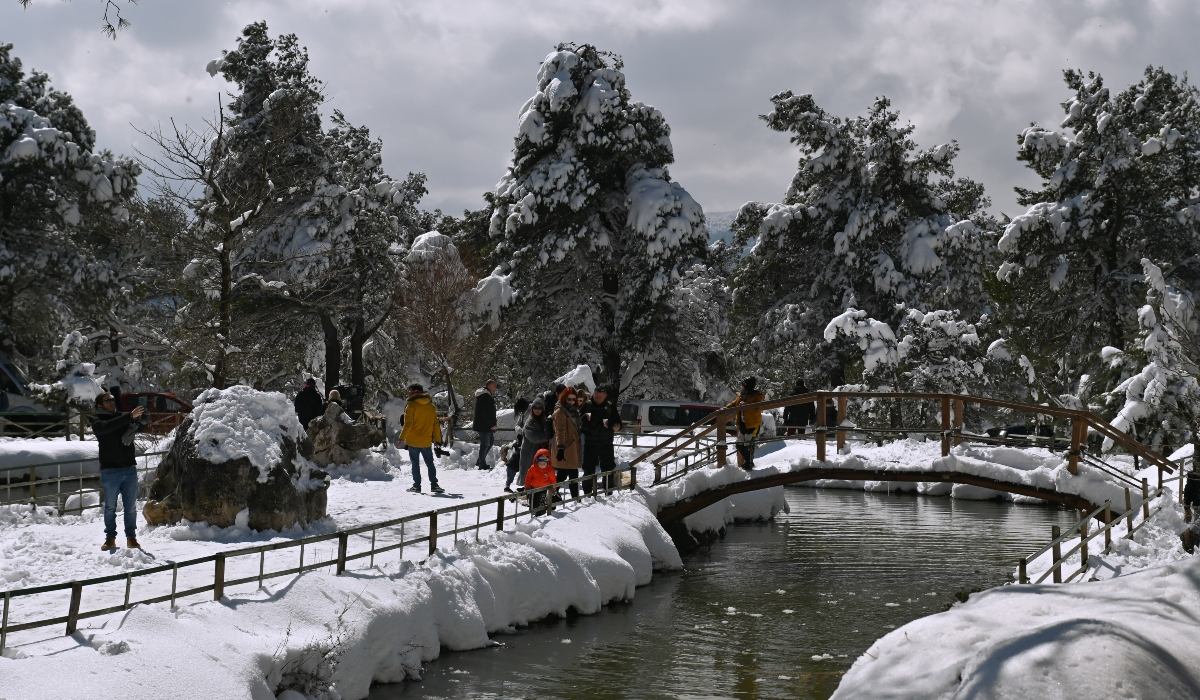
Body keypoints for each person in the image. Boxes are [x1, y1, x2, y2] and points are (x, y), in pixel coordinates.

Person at [91, 392, 149, 550]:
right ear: (99, 405)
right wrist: (129, 416)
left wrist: (143, 417)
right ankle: (110, 538)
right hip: (110, 471)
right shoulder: (97, 421)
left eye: (112, 399)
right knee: (110, 507)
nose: (112, 402)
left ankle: (131, 537)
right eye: (107, 400)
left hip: (129, 469)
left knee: (130, 507)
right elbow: (107, 428)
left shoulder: (123, 417)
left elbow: (140, 424)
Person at [399, 384, 444, 494]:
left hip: (413, 441)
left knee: (415, 464)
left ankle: (416, 486)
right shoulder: (431, 406)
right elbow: (435, 425)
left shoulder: (411, 406)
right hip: (426, 441)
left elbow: (408, 425)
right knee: (430, 463)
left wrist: (401, 438)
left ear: (413, 392)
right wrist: (437, 440)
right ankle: (434, 484)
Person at [581, 385, 621, 494]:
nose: (597, 398)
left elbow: (619, 425)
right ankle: (587, 493)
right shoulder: (587, 406)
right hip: (590, 443)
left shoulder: (610, 407)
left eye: (600, 397)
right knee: (588, 469)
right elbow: (577, 423)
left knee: (608, 469)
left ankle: (608, 492)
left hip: (606, 443)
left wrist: (612, 425)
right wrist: (582, 419)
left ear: (605, 396)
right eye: (596, 396)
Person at [726, 377, 767, 470]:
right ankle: (748, 461)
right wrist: (726, 408)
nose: (741, 387)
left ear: (747, 386)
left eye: (742, 385)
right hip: (742, 423)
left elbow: (756, 408)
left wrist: (746, 406)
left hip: (752, 424)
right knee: (739, 444)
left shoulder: (756, 396)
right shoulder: (741, 395)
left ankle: (748, 463)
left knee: (747, 444)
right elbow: (735, 403)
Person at [552, 386, 583, 499]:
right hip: (566, 446)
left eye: (573, 399)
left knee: (564, 474)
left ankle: (552, 494)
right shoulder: (560, 411)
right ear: (564, 398)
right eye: (568, 399)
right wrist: (560, 448)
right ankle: (574, 499)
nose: (571, 402)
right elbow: (560, 431)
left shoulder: (573, 411)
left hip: (572, 446)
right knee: (571, 474)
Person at [519, 397, 553, 491]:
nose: (537, 410)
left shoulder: (544, 420)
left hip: (541, 453)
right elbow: (534, 437)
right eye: (535, 407)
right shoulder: (529, 422)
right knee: (530, 476)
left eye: (539, 408)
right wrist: (547, 436)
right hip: (530, 451)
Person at [504, 397, 530, 493]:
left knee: (525, 465)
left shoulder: (531, 412)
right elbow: (517, 425)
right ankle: (508, 484)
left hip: (529, 442)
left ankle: (526, 486)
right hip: (521, 440)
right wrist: (519, 429)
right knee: (514, 462)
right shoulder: (522, 413)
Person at [472, 379, 499, 469]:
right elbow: (487, 413)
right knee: (485, 444)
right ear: (490, 386)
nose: (495, 388)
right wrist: (492, 424)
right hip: (484, 425)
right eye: (495, 386)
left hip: (485, 425)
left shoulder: (485, 396)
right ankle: (481, 464)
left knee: (490, 442)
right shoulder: (485, 397)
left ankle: (480, 461)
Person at [525, 448, 557, 516]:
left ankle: (541, 513)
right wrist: (527, 487)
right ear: (536, 462)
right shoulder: (533, 468)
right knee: (533, 500)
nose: (542, 465)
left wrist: (553, 489)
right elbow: (528, 478)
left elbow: (553, 480)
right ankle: (532, 511)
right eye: (540, 463)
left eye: (544, 463)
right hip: (533, 488)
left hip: (543, 489)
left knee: (541, 501)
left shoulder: (549, 470)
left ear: (548, 463)